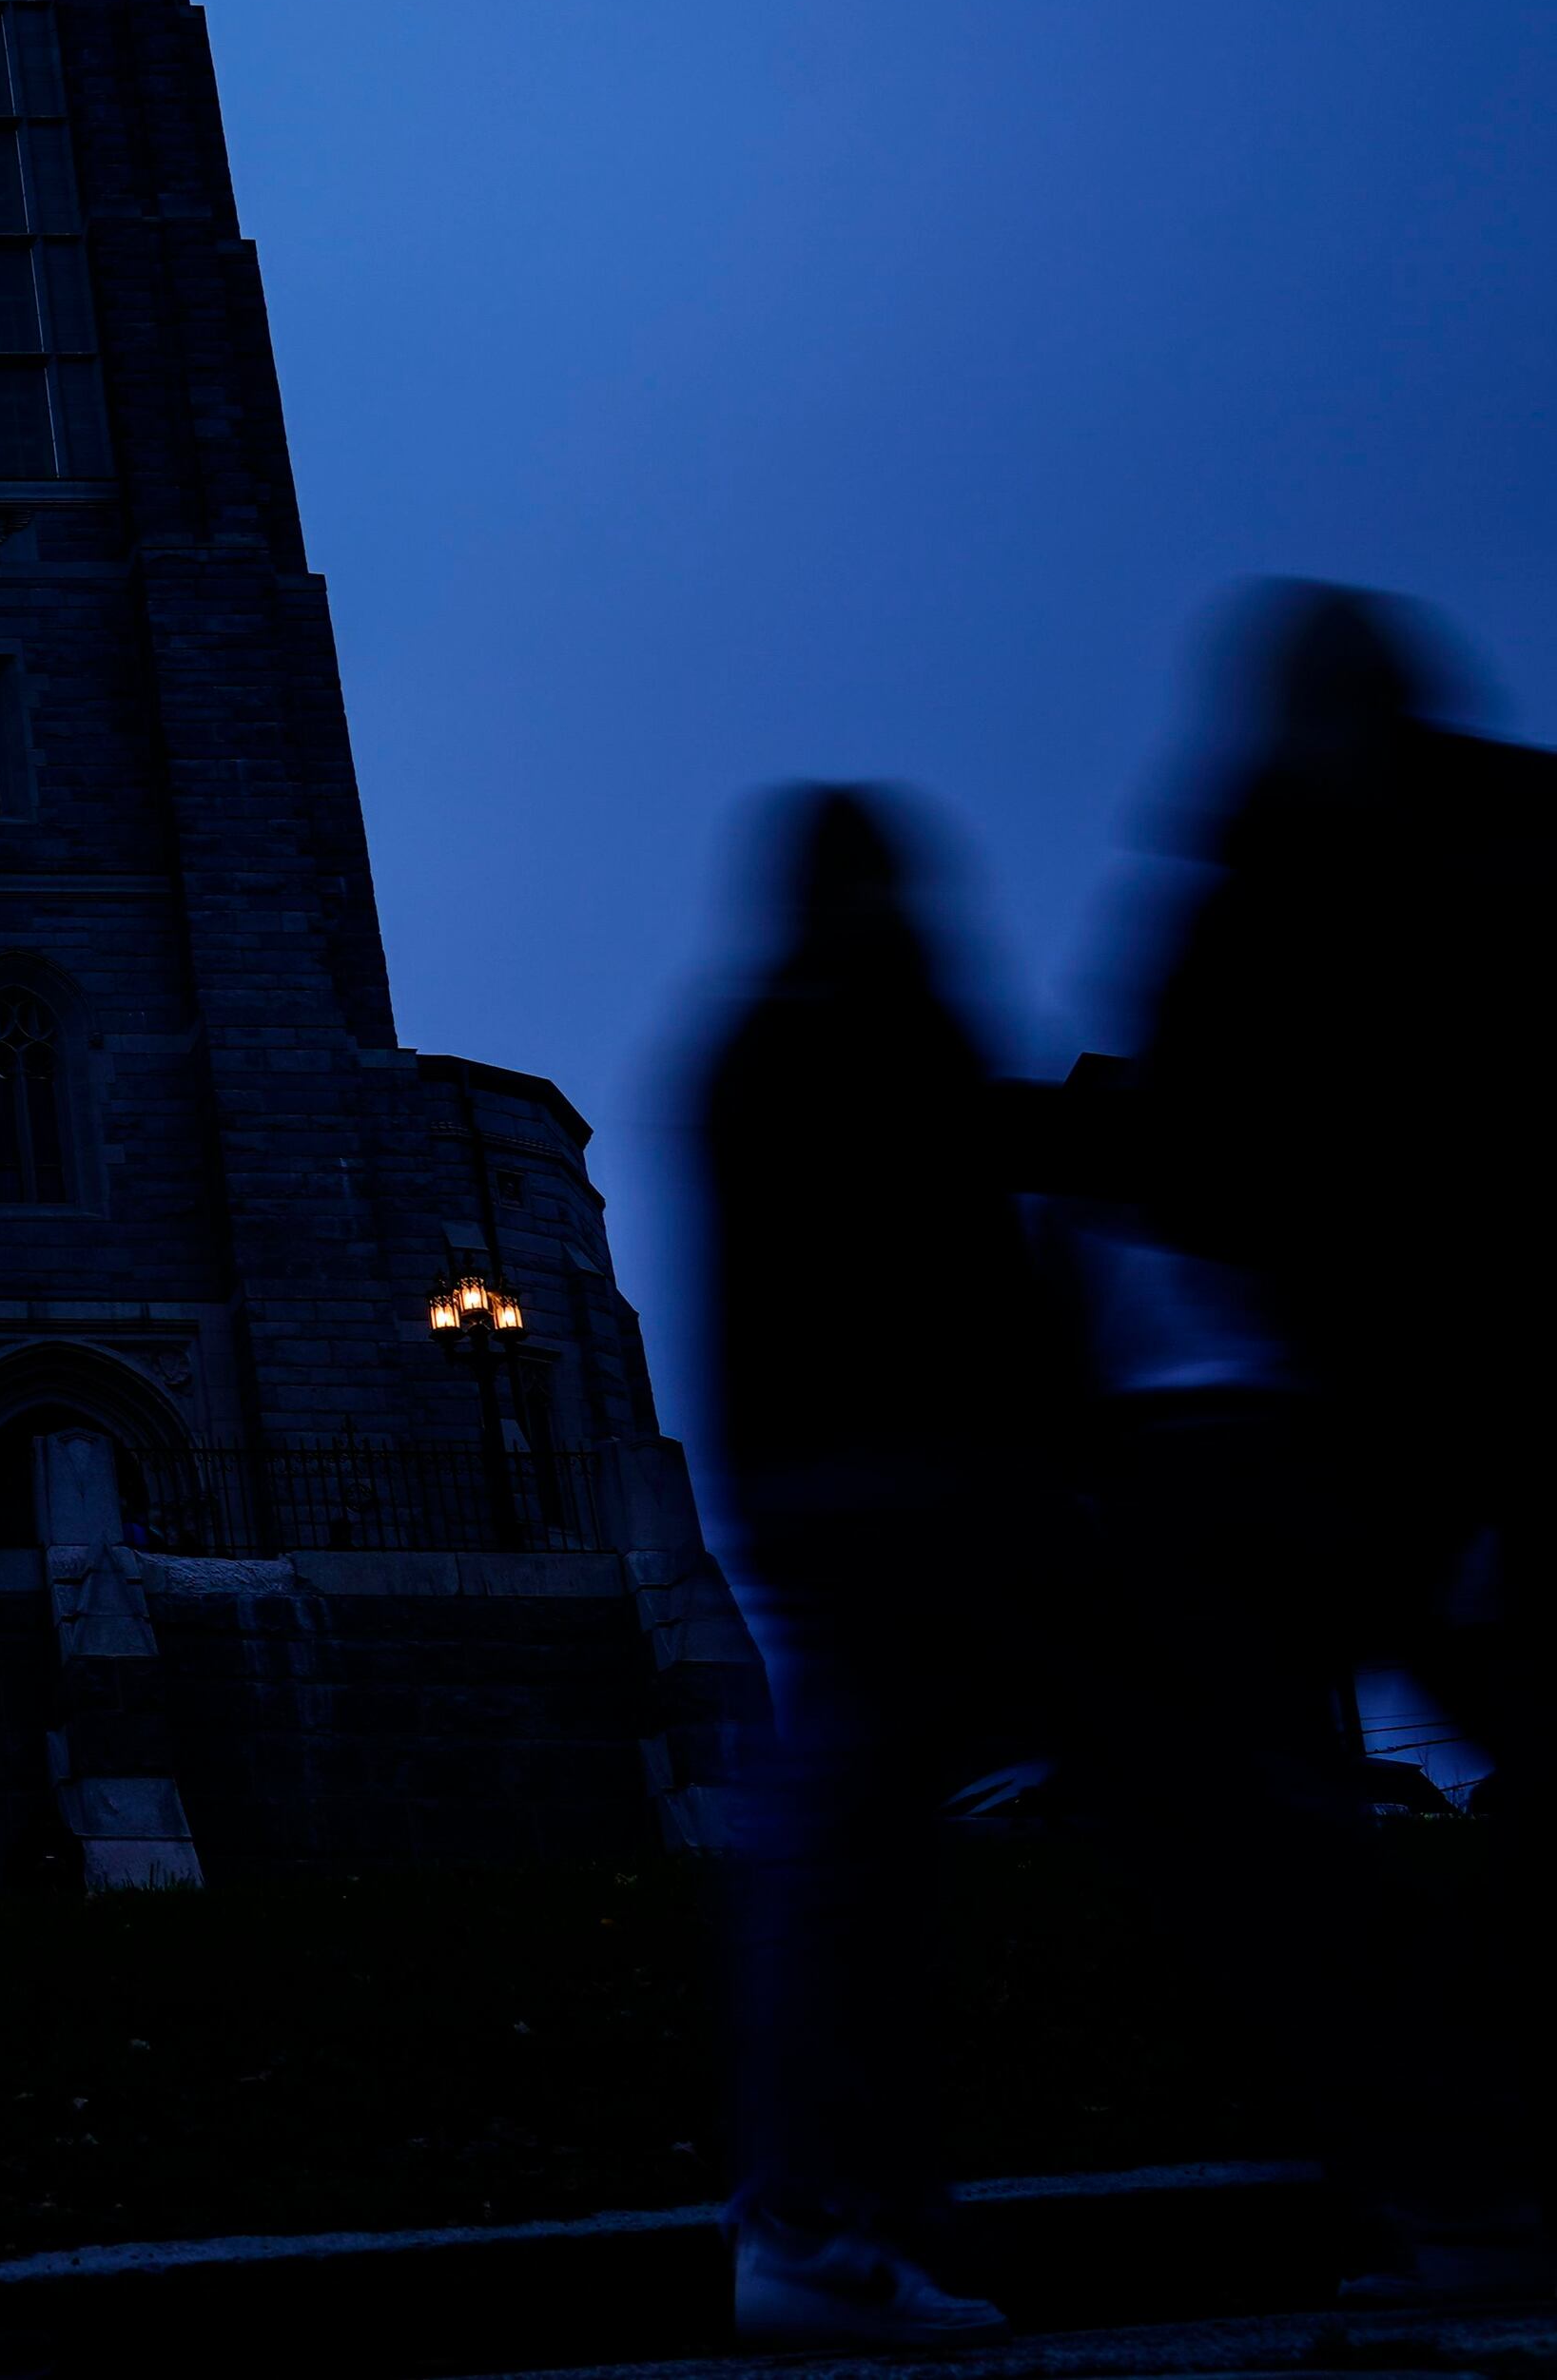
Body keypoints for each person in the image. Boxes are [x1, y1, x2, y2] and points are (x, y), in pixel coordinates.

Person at [1129, 588, 1553, 2288]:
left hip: (1424, 1412)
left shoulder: (1294, 884)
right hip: (1379, 1428)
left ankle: (1454, 2161)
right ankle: (1451, 2164)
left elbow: (1190, 1159)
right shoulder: (1259, 891)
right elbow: (1190, 1160)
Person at [694, 789, 1075, 2348]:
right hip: (894, 1498)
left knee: (871, 1876)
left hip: (880, 1499)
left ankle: (866, 2215)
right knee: (853, 1870)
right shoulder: (844, 1037)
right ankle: (812, 2219)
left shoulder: (807, 1036)